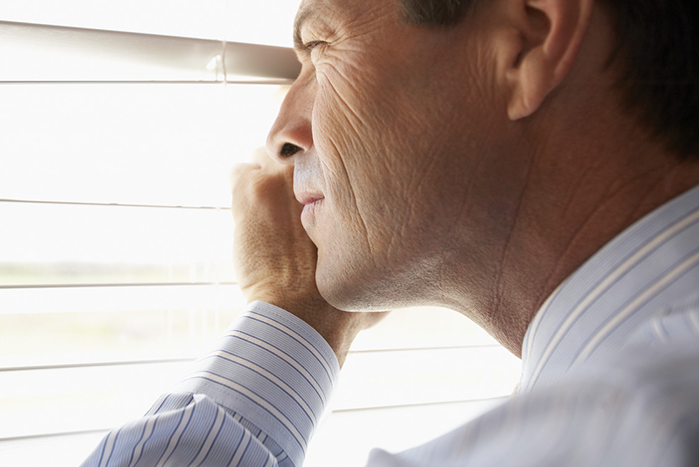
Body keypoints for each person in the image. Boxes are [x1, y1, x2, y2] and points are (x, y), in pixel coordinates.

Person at [81, 0, 699, 465]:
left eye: (321, 47)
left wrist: (288, 314)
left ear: (526, 41)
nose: (282, 132)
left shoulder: (615, 431)